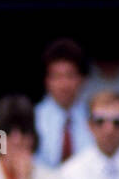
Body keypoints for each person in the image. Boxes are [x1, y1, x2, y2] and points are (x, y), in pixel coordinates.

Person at [34, 38, 93, 170]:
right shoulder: (33, 118)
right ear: (47, 81)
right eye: (57, 76)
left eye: (70, 76)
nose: (64, 84)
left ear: (82, 79)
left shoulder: (95, 117)